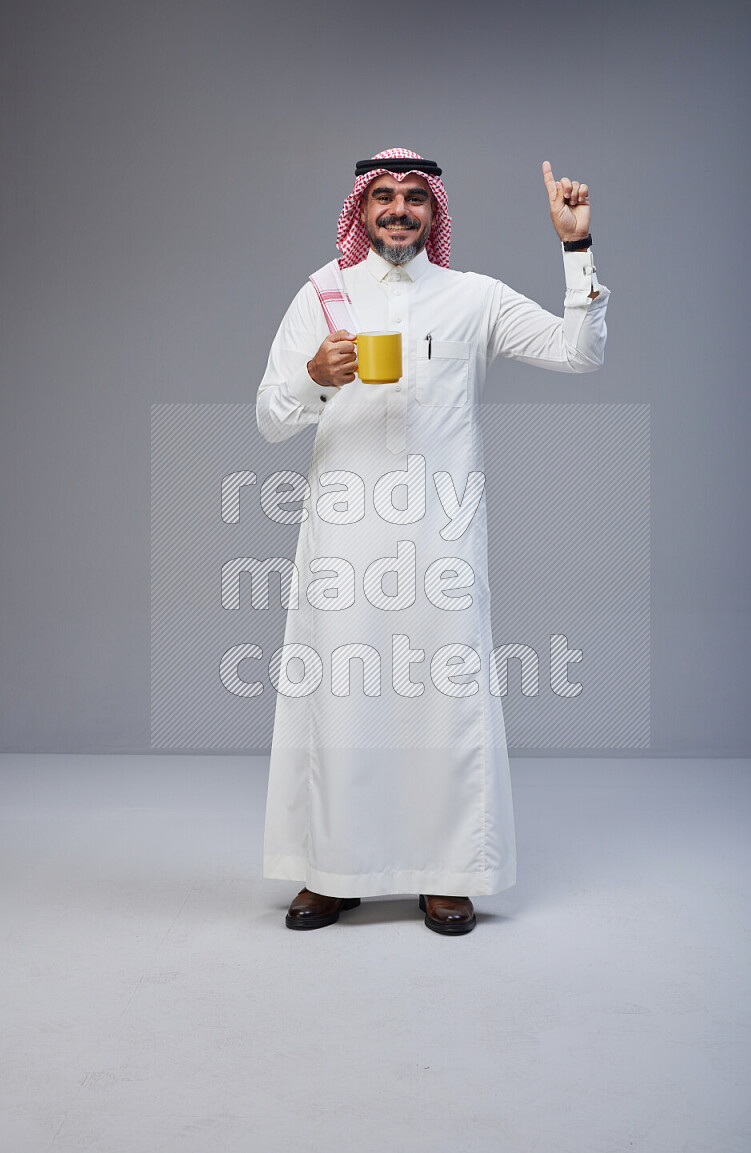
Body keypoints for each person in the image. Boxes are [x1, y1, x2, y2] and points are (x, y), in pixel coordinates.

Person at [255, 147, 610, 935]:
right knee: (342, 699)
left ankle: (449, 873)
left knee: (442, 699)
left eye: (414, 197)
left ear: (434, 211)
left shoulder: (472, 298)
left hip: (442, 538)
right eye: (382, 196)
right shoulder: (323, 293)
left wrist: (575, 248)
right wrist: (316, 374)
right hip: (344, 539)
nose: (398, 211)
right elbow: (269, 417)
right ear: (362, 207)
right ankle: (331, 869)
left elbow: (579, 353)